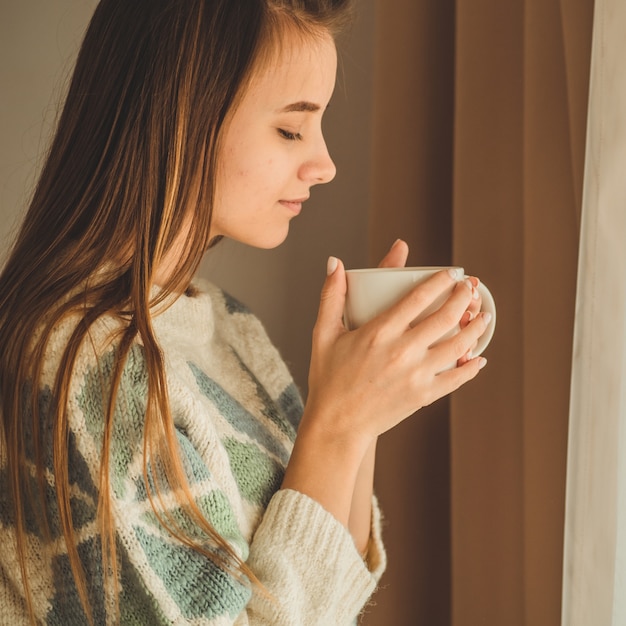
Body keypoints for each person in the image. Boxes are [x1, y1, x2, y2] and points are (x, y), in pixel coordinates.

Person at [0, 0, 491, 624]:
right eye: (291, 129)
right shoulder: (74, 363)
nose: (325, 164)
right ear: (179, 115)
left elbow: (327, 600)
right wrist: (335, 425)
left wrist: (358, 409)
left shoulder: (227, 327)